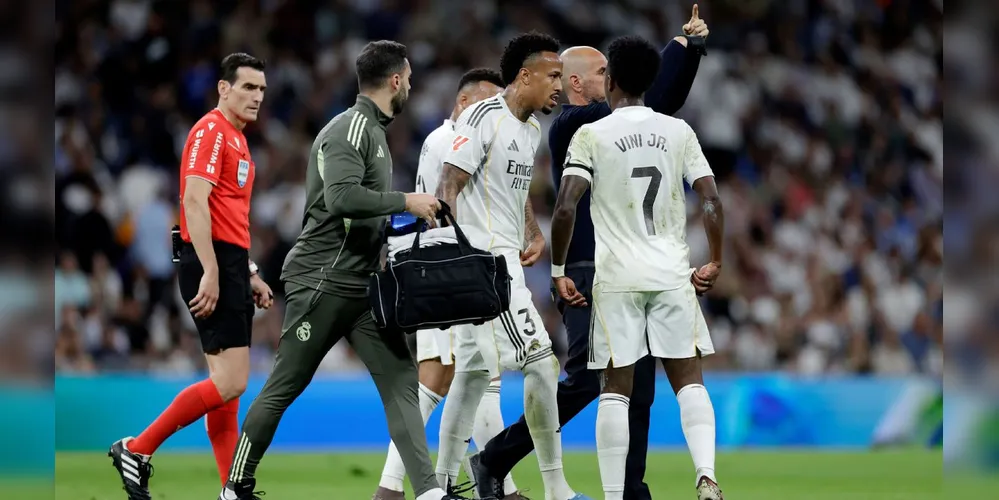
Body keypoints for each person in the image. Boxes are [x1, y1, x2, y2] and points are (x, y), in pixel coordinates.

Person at [468, 6, 710, 500]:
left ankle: (631, 490)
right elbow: (656, 97)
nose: (612, 77)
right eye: (603, 71)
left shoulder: (611, 124)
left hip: (624, 271)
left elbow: (656, 103)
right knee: (584, 378)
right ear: (578, 84)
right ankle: (494, 458)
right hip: (584, 270)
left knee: (639, 388)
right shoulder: (574, 125)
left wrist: (690, 50)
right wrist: (682, 48)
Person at [217, 41, 465, 500]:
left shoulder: (374, 133)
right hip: (322, 280)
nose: (411, 88)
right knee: (285, 385)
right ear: (395, 81)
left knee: (401, 381)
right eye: (409, 80)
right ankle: (234, 488)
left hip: (362, 287)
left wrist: (404, 222)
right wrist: (405, 201)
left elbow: (364, 212)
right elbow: (342, 198)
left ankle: (429, 491)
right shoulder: (349, 129)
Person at [550, 35, 724, 500]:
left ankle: (614, 495)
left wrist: (558, 269)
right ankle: (706, 474)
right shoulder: (678, 130)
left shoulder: (591, 134)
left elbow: (565, 207)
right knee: (689, 381)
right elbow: (710, 198)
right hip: (671, 273)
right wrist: (716, 259)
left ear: (611, 81)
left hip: (617, 277)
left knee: (615, 390)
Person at [108, 53, 275, 500]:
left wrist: (248, 271)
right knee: (232, 381)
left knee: (226, 389)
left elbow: (228, 217)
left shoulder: (238, 139)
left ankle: (230, 489)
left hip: (228, 262)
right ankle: (136, 450)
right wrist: (213, 271)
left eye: (261, 89)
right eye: (248, 87)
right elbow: (195, 202)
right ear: (223, 88)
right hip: (209, 262)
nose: (257, 96)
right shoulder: (210, 131)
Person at [433, 31, 588, 500]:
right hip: (482, 264)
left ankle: (439, 486)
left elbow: (512, 192)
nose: (560, 86)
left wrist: (532, 230)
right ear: (525, 76)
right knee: (541, 363)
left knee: (472, 374)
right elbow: (449, 182)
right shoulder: (485, 116)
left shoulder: (531, 129)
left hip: (504, 261)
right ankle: (557, 488)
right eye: (553, 76)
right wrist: (456, 252)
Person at [375, 68, 517, 500]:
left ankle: (446, 483)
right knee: (440, 378)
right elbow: (447, 206)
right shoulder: (450, 140)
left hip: (451, 274)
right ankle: (395, 486)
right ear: (464, 103)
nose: (495, 112)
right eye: (488, 103)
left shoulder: (448, 138)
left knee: (473, 377)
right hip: (448, 275)